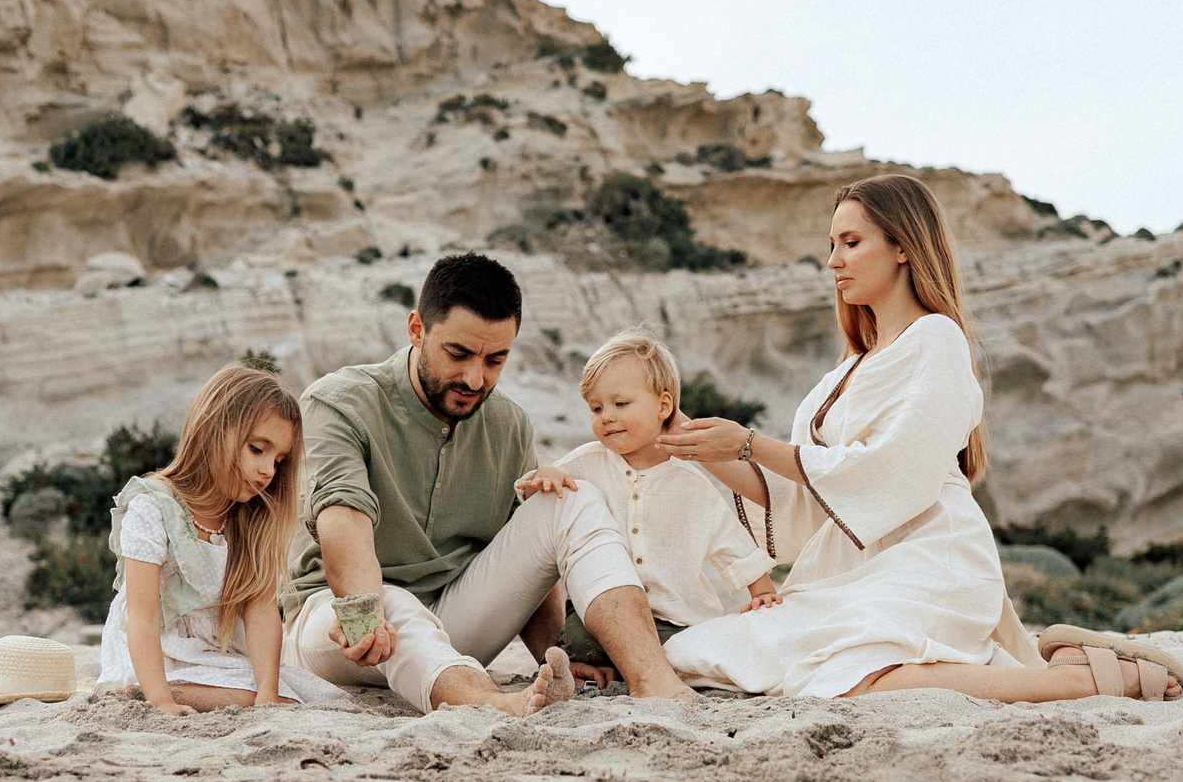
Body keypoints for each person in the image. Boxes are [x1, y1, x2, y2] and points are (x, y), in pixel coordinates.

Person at [656, 173, 1183, 703]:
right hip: (850, 571)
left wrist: (749, 443)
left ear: (902, 247)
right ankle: (1051, 667)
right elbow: (803, 496)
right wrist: (686, 436)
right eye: (831, 245)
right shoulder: (843, 373)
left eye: (851, 242)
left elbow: (890, 470)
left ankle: (1075, 682)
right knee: (694, 654)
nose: (834, 261)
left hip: (930, 560)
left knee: (844, 679)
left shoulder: (937, 339)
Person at [284, 253, 694, 714]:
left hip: (453, 625)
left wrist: (553, 656)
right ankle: (492, 703)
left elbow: (531, 557)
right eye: (458, 354)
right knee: (392, 602)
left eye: (495, 360)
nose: (475, 378)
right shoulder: (339, 403)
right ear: (417, 329)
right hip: (343, 625)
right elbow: (345, 518)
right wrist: (364, 613)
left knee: (569, 499)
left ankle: (653, 679)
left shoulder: (510, 425)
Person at [518, 327, 779, 689]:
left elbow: (730, 542)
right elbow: (536, 494)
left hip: (676, 618)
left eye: (620, 404)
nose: (606, 416)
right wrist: (543, 477)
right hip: (603, 616)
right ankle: (605, 665)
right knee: (578, 640)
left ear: (663, 406)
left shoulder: (691, 484)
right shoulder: (586, 463)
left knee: (692, 647)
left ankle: (640, 667)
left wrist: (761, 590)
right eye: (596, 408)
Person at [101, 365, 349, 713]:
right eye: (257, 449)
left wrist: (267, 692)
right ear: (213, 429)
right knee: (244, 698)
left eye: (279, 461)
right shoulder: (152, 507)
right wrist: (161, 700)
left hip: (217, 648)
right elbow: (143, 618)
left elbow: (261, 609)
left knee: (298, 696)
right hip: (155, 651)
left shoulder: (251, 518)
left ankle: (195, 691)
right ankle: (151, 691)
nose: (268, 470)